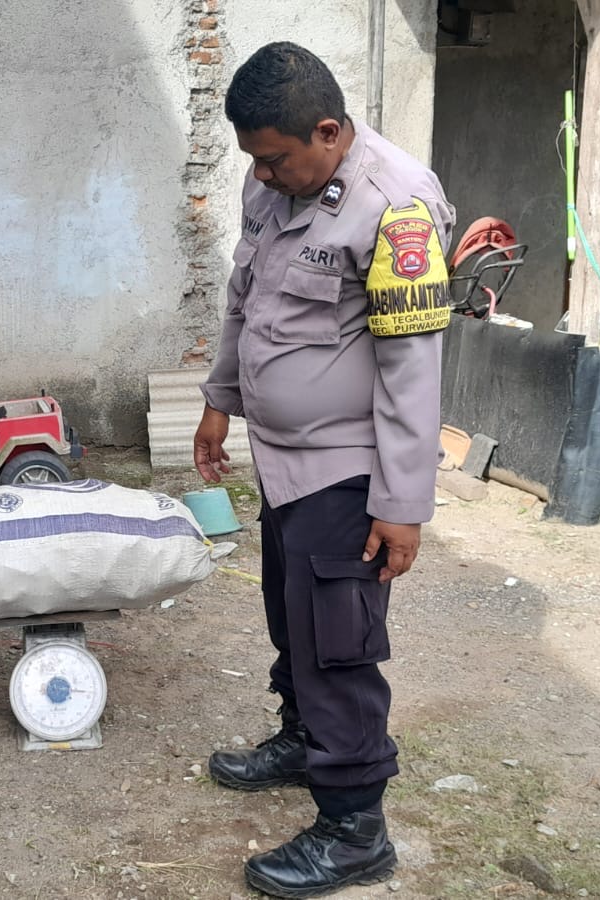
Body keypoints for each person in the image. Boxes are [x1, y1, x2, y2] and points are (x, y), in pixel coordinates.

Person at [194, 41, 453, 899]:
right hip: (282, 462)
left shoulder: (397, 206)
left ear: (329, 132)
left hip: (347, 469)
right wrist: (220, 399)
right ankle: (302, 740)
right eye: (254, 160)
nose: (262, 176)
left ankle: (354, 828)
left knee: (338, 646)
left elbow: (412, 368)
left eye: (275, 158)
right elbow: (243, 301)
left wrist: (403, 503)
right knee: (292, 617)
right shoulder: (271, 184)